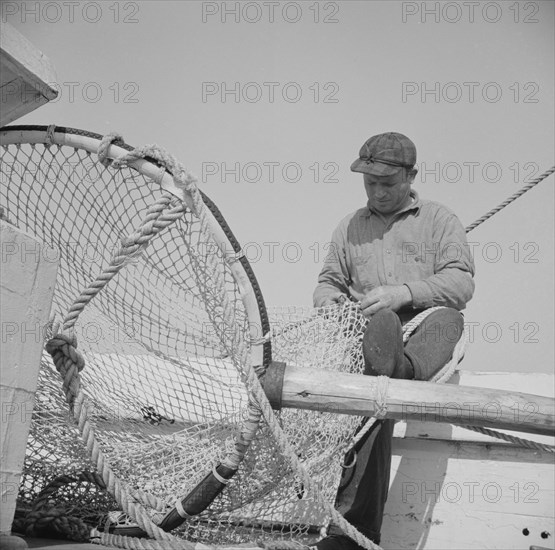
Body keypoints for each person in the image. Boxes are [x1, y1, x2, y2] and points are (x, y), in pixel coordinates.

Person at [312, 132, 475, 548]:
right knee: (375, 399)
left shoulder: (440, 219)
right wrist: (329, 302)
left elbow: (460, 283)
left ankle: (401, 367)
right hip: (368, 341)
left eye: (387, 183)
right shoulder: (349, 227)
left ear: (411, 176)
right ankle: (354, 533)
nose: (378, 192)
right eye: (370, 184)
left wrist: (404, 293)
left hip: (427, 336)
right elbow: (328, 283)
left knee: (447, 317)